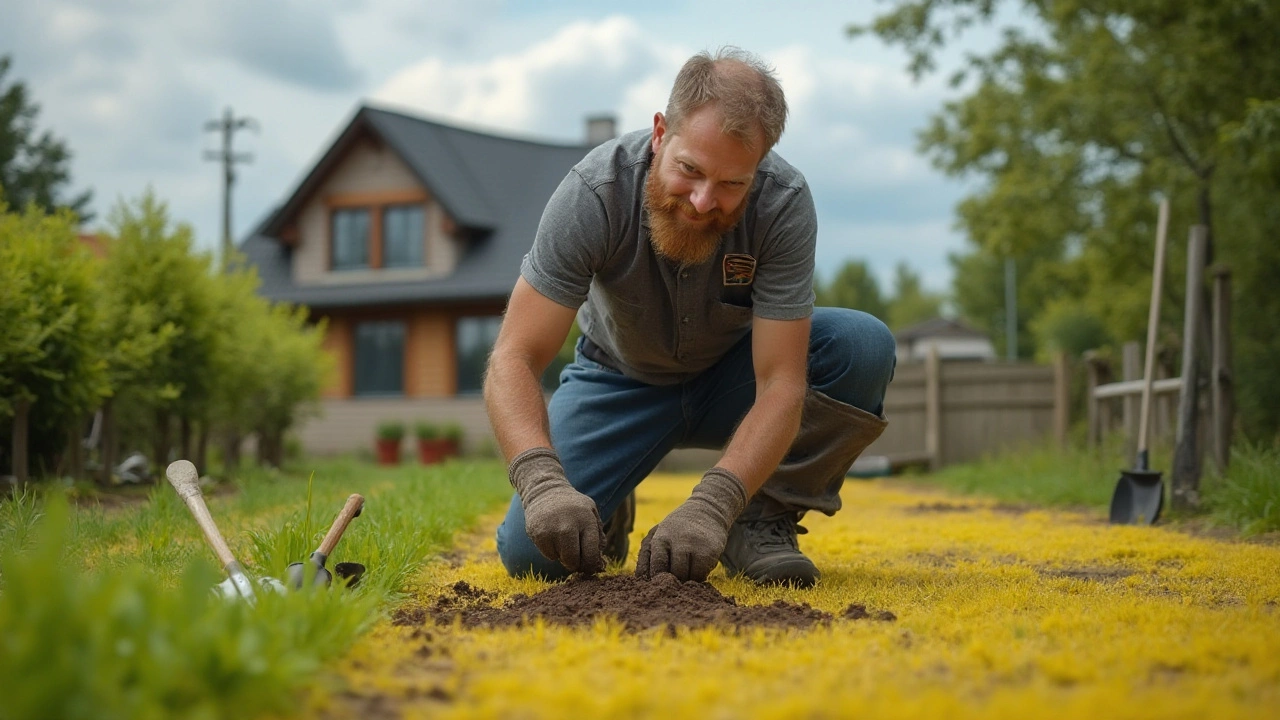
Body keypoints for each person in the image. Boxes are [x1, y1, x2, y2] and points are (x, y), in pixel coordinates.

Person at [483, 47, 895, 588]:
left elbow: (779, 381)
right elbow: (514, 356)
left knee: (861, 346)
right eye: (690, 170)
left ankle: (758, 518)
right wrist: (541, 483)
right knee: (534, 556)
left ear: (762, 162)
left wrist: (716, 504)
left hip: (735, 379)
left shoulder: (784, 203)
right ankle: (603, 505)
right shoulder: (594, 193)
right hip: (617, 381)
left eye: (732, 184)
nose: (704, 202)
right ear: (660, 133)